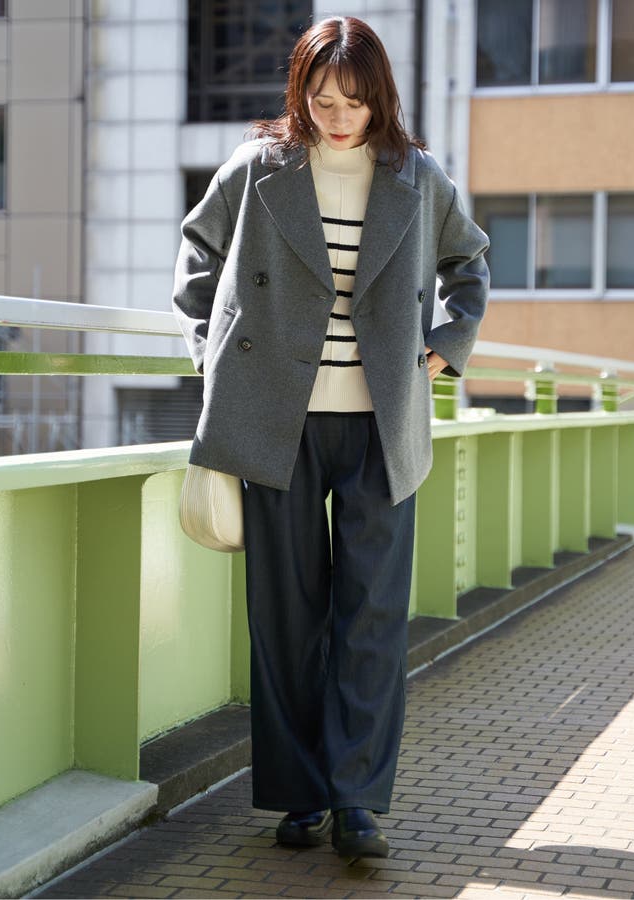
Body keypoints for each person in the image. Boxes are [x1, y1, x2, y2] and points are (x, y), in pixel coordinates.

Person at [172, 15, 489, 859]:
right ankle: (298, 795)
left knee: (371, 616)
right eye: (321, 98)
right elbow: (197, 256)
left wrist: (448, 343)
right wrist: (213, 358)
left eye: (354, 99)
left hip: (382, 423)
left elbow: (470, 265)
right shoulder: (259, 166)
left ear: (379, 97)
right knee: (286, 616)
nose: (338, 116)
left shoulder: (417, 178)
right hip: (274, 419)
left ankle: (357, 799)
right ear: (300, 94)